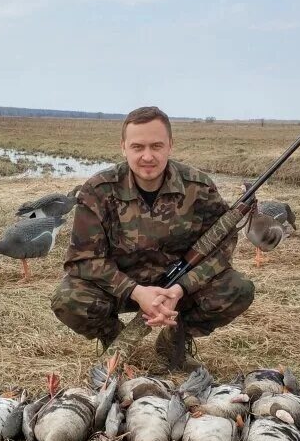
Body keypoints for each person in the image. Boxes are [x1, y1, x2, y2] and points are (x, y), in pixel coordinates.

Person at [51, 105, 254, 369]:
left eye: (156, 146)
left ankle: (174, 339)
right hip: (120, 288)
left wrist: (181, 288)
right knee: (68, 298)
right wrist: (136, 292)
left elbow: (222, 245)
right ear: (123, 147)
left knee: (238, 288)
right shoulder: (98, 190)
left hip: (179, 288)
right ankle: (115, 339)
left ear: (170, 145)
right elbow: (82, 260)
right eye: (138, 147)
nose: (148, 156)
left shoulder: (198, 186)